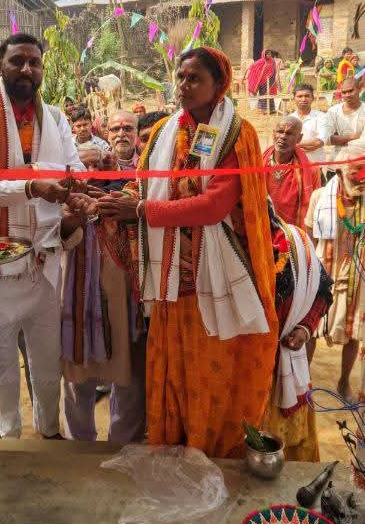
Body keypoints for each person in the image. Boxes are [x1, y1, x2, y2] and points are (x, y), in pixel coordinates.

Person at [98, 47, 278, 458]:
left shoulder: (237, 134)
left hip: (215, 285)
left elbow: (213, 206)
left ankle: (211, 454)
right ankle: (175, 452)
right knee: (175, 374)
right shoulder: (165, 131)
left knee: (210, 377)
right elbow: (144, 184)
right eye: (180, 77)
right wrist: (111, 201)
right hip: (170, 286)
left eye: (194, 78)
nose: (183, 85)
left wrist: (141, 210)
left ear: (219, 85)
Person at [0, 33, 85, 439]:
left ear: (42, 69)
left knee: (48, 363)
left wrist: (77, 190)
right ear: (0, 66)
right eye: (17, 61)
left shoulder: (57, 119)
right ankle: (9, 440)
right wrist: (34, 186)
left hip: (46, 260)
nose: (27, 69)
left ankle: (49, 432)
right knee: (2, 368)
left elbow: (75, 169)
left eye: (34, 62)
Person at [60, 124, 147, 444]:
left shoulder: (144, 177)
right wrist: (78, 209)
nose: (122, 133)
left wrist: (123, 203)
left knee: (130, 370)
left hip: (127, 292)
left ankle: (123, 442)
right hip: (79, 290)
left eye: (128, 128)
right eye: (115, 129)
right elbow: (58, 230)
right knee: (77, 370)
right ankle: (79, 442)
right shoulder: (74, 178)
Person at [261, 206, 333, 462]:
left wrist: (304, 327)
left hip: (283, 369)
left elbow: (323, 292)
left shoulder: (296, 245)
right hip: (241, 378)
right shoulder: (218, 243)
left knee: (290, 463)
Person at [305, 153, 364, 403]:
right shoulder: (320, 197)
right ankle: (304, 380)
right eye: (357, 172)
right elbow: (309, 236)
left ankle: (343, 381)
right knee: (310, 328)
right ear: (340, 171)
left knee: (353, 332)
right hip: (323, 272)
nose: (362, 179)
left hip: (356, 276)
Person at [263, 115, 321, 227]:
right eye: (280, 132)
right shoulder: (258, 163)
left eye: (289, 134)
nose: (283, 137)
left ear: (299, 138)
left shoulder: (311, 171)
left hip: (293, 232)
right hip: (262, 227)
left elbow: (314, 208)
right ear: (273, 134)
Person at [326, 77, 365, 176]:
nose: (347, 95)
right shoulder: (333, 111)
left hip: (360, 166)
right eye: (344, 92)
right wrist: (352, 137)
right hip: (336, 165)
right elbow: (326, 139)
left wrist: (338, 139)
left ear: (359, 89)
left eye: (350, 91)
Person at [291, 84, 329, 166]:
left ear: (312, 98)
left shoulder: (322, 117)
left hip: (316, 166)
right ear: (294, 99)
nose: (303, 99)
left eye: (307, 96)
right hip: (295, 166)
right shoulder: (289, 119)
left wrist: (293, 145)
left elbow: (319, 142)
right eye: (300, 96)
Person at [247, 48, 279, 114]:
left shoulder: (272, 61)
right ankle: (263, 110)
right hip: (263, 81)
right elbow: (253, 66)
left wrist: (273, 77)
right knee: (264, 95)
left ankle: (271, 109)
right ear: (264, 55)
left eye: (270, 54)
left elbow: (274, 69)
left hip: (271, 80)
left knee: (270, 94)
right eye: (267, 54)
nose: (269, 55)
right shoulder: (261, 61)